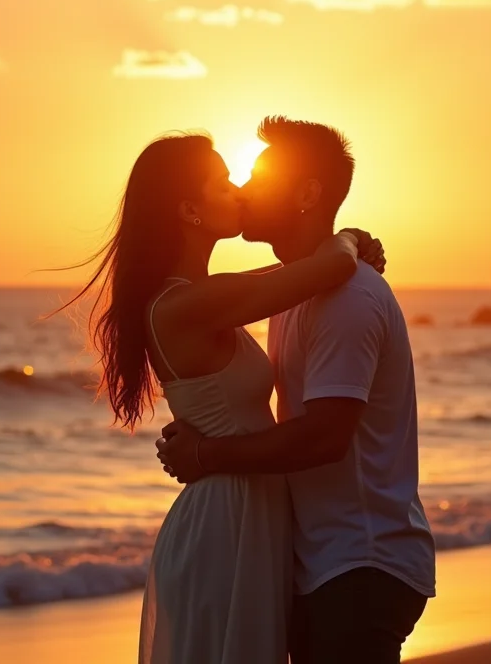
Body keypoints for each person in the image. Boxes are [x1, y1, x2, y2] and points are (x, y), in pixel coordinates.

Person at [55, 130, 386, 664]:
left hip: (247, 514)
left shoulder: (208, 296)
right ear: (190, 208)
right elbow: (329, 268)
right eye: (224, 180)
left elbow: (296, 274)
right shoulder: (186, 304)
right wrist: (348, 236)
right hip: (223, 522)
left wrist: (342, 247)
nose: (238, 189)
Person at [156, 116, 436, 664]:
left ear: (307, 193)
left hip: (362, 561)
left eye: (260, 176)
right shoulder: (300, 288)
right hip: (324, 559)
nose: (245, 188)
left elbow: (324, 438)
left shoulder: (346, 297)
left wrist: (205, 452)